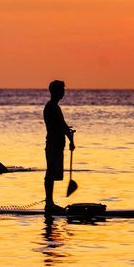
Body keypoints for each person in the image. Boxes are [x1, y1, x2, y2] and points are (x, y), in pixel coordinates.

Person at [43, 80, 75, 214]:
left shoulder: (54, 107)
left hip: (56, 144)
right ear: (55, 92)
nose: (63, 93)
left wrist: (69, 134)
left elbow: (62, 125)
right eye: (61, 90)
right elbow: (60, 126)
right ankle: (49, 203)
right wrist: (70, 139)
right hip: (53, 144)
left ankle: (50, 202)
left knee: (51, 173)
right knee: (50, 173)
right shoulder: (52, 107)